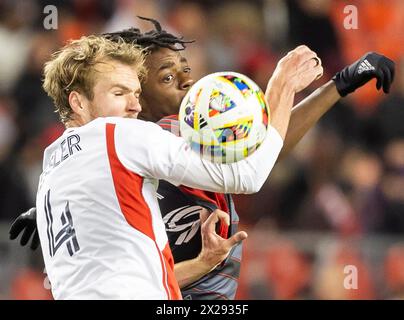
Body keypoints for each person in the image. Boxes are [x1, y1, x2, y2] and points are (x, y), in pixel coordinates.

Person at [9, 17, 395, 299]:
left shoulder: (102, 152)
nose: (186, 81)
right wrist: (283, 87)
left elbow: (265, 148)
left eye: (186, 70)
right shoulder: (141, 138)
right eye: (166, 76)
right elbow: (254, 167)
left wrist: (338, 85)